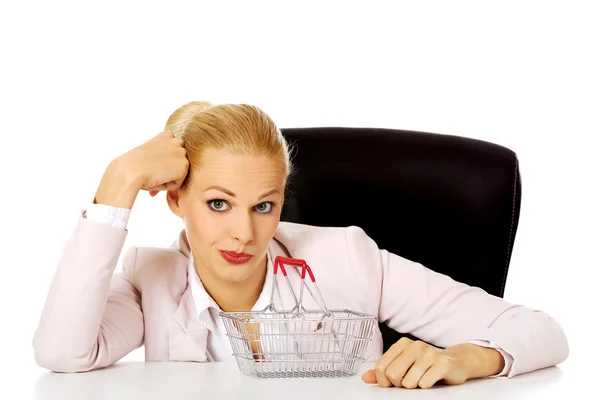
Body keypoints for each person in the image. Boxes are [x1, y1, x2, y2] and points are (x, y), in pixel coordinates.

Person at [32, 101, 569, 389]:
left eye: (263, 206)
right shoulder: (149, 279)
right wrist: (119, 181)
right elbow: (62, 353)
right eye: (218, 203)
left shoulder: (346, 259)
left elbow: (541, 331)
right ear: (176, 200)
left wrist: (469, 357)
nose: (244, 233)